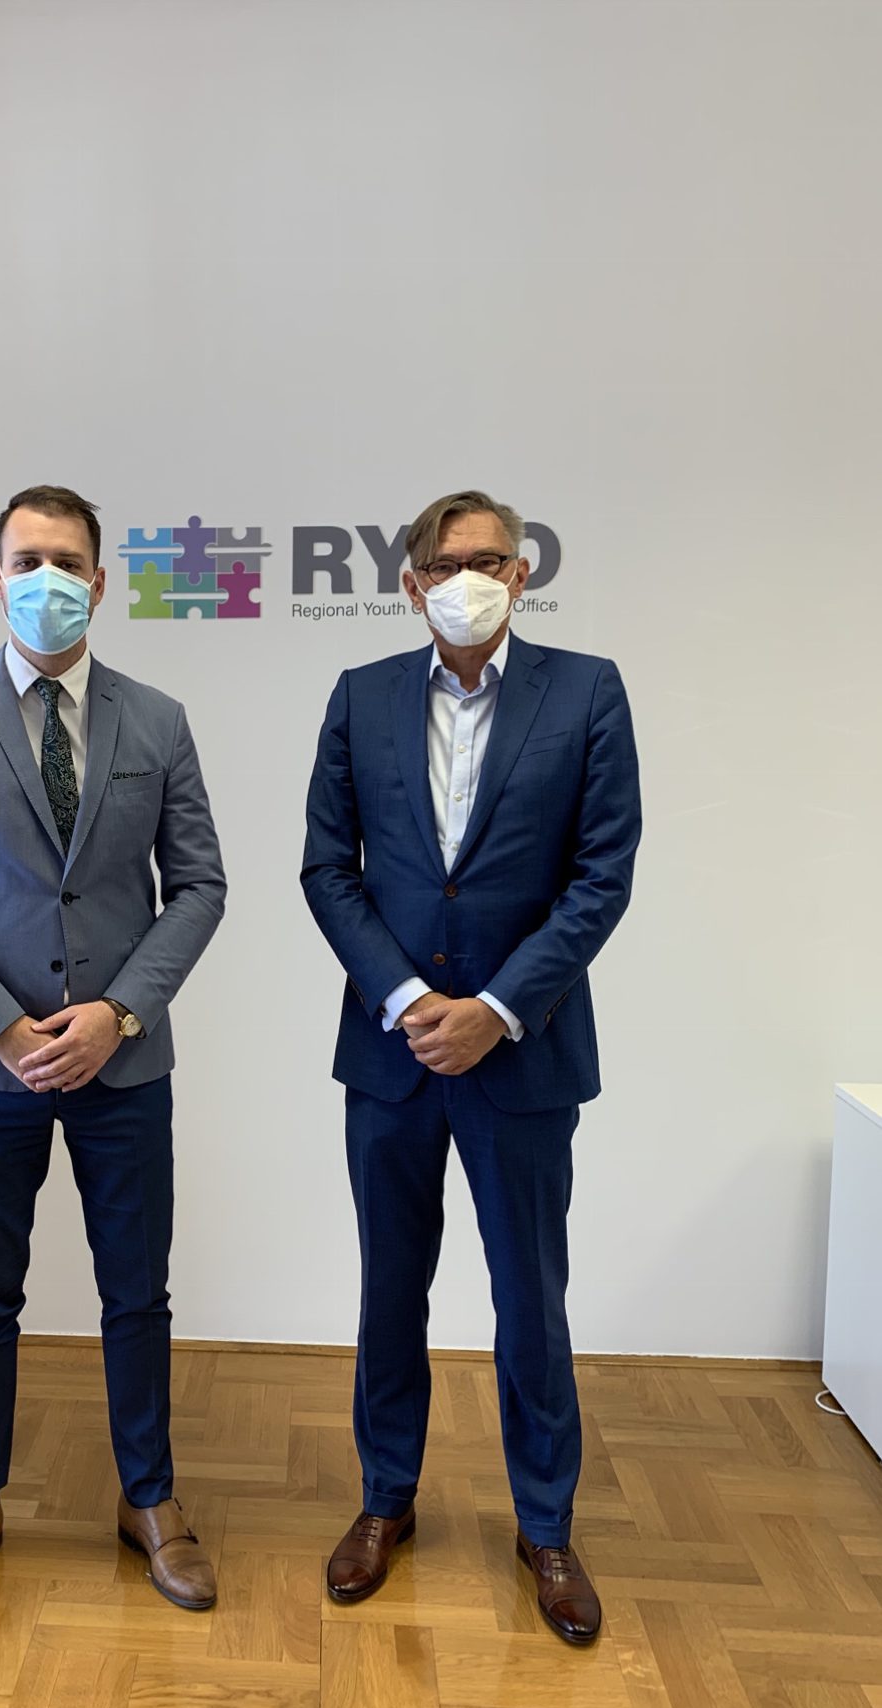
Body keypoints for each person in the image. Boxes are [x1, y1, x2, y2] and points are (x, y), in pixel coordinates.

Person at [0, 484, 226, 1630]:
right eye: (25, 559)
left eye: (66, 561)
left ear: (100, 582)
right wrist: (3, 1025)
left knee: (137, 1292)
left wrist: (117, 1012)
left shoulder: (155, 721)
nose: (46, 579)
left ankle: (149, 1499)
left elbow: (198, 887)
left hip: (122, 1063)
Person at [301, 488, 640, 1645]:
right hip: (390, 1055)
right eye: (447, 564)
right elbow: (326, 870)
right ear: (409, 583)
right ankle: (382, 1501)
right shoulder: (359, 698)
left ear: (522, 573)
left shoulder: (584, 692)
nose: (470, 580)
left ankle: (545, 1526)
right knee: (388, 1290)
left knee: (528, 1298)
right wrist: (407, 1003)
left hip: (522, 1056)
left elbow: (600, 874)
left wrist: (495, 1009)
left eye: (490, 560)